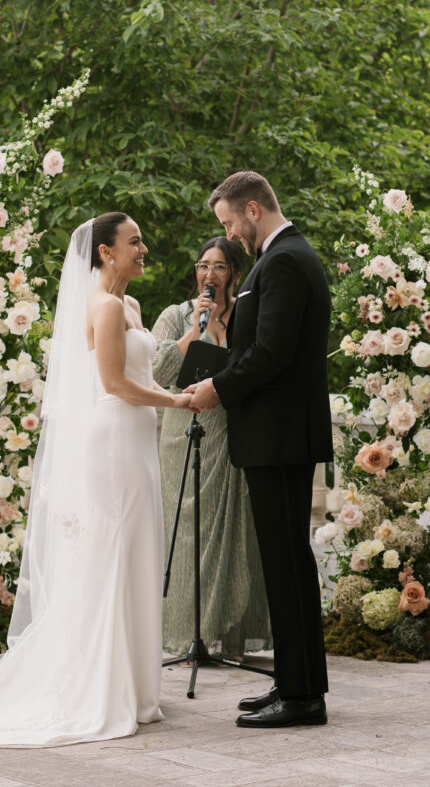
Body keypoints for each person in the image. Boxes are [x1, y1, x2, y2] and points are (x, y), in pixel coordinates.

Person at [0, 213, 192, 747]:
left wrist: (185, 360)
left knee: (138, 546)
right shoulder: (102, 307)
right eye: (134, 242)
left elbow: (145, 369)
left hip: (138, 441)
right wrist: (176, 401)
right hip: (112, 438)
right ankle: (101, 687)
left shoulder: (130, 305)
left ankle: (134, 683)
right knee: (113, 547)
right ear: (105, 252)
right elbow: (113, 382)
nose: (143, 248)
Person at [187, 172, 333, 729]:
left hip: (280, 437)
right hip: (276, 435)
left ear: (253, 210)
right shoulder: (282, 258)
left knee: (287, 563)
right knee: (286, 562)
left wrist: (215, 389)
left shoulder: (285, 261)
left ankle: (300, 697)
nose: (228, 234)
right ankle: (297, 684)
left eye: (228, 223)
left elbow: (271, 353)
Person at [151, 237, 271, 657]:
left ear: (235, 274)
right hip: (183, 430)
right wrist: (192, 332)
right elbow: (156, 371)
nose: (209, 275)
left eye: (220, 267)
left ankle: (226, 635)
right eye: (204, 266)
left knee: (233, 533)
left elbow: (258, 368)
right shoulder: (174, 315)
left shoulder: (247, 314)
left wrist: (222, 332)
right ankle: (187, 634)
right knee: (185, 535)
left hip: (231, 431)